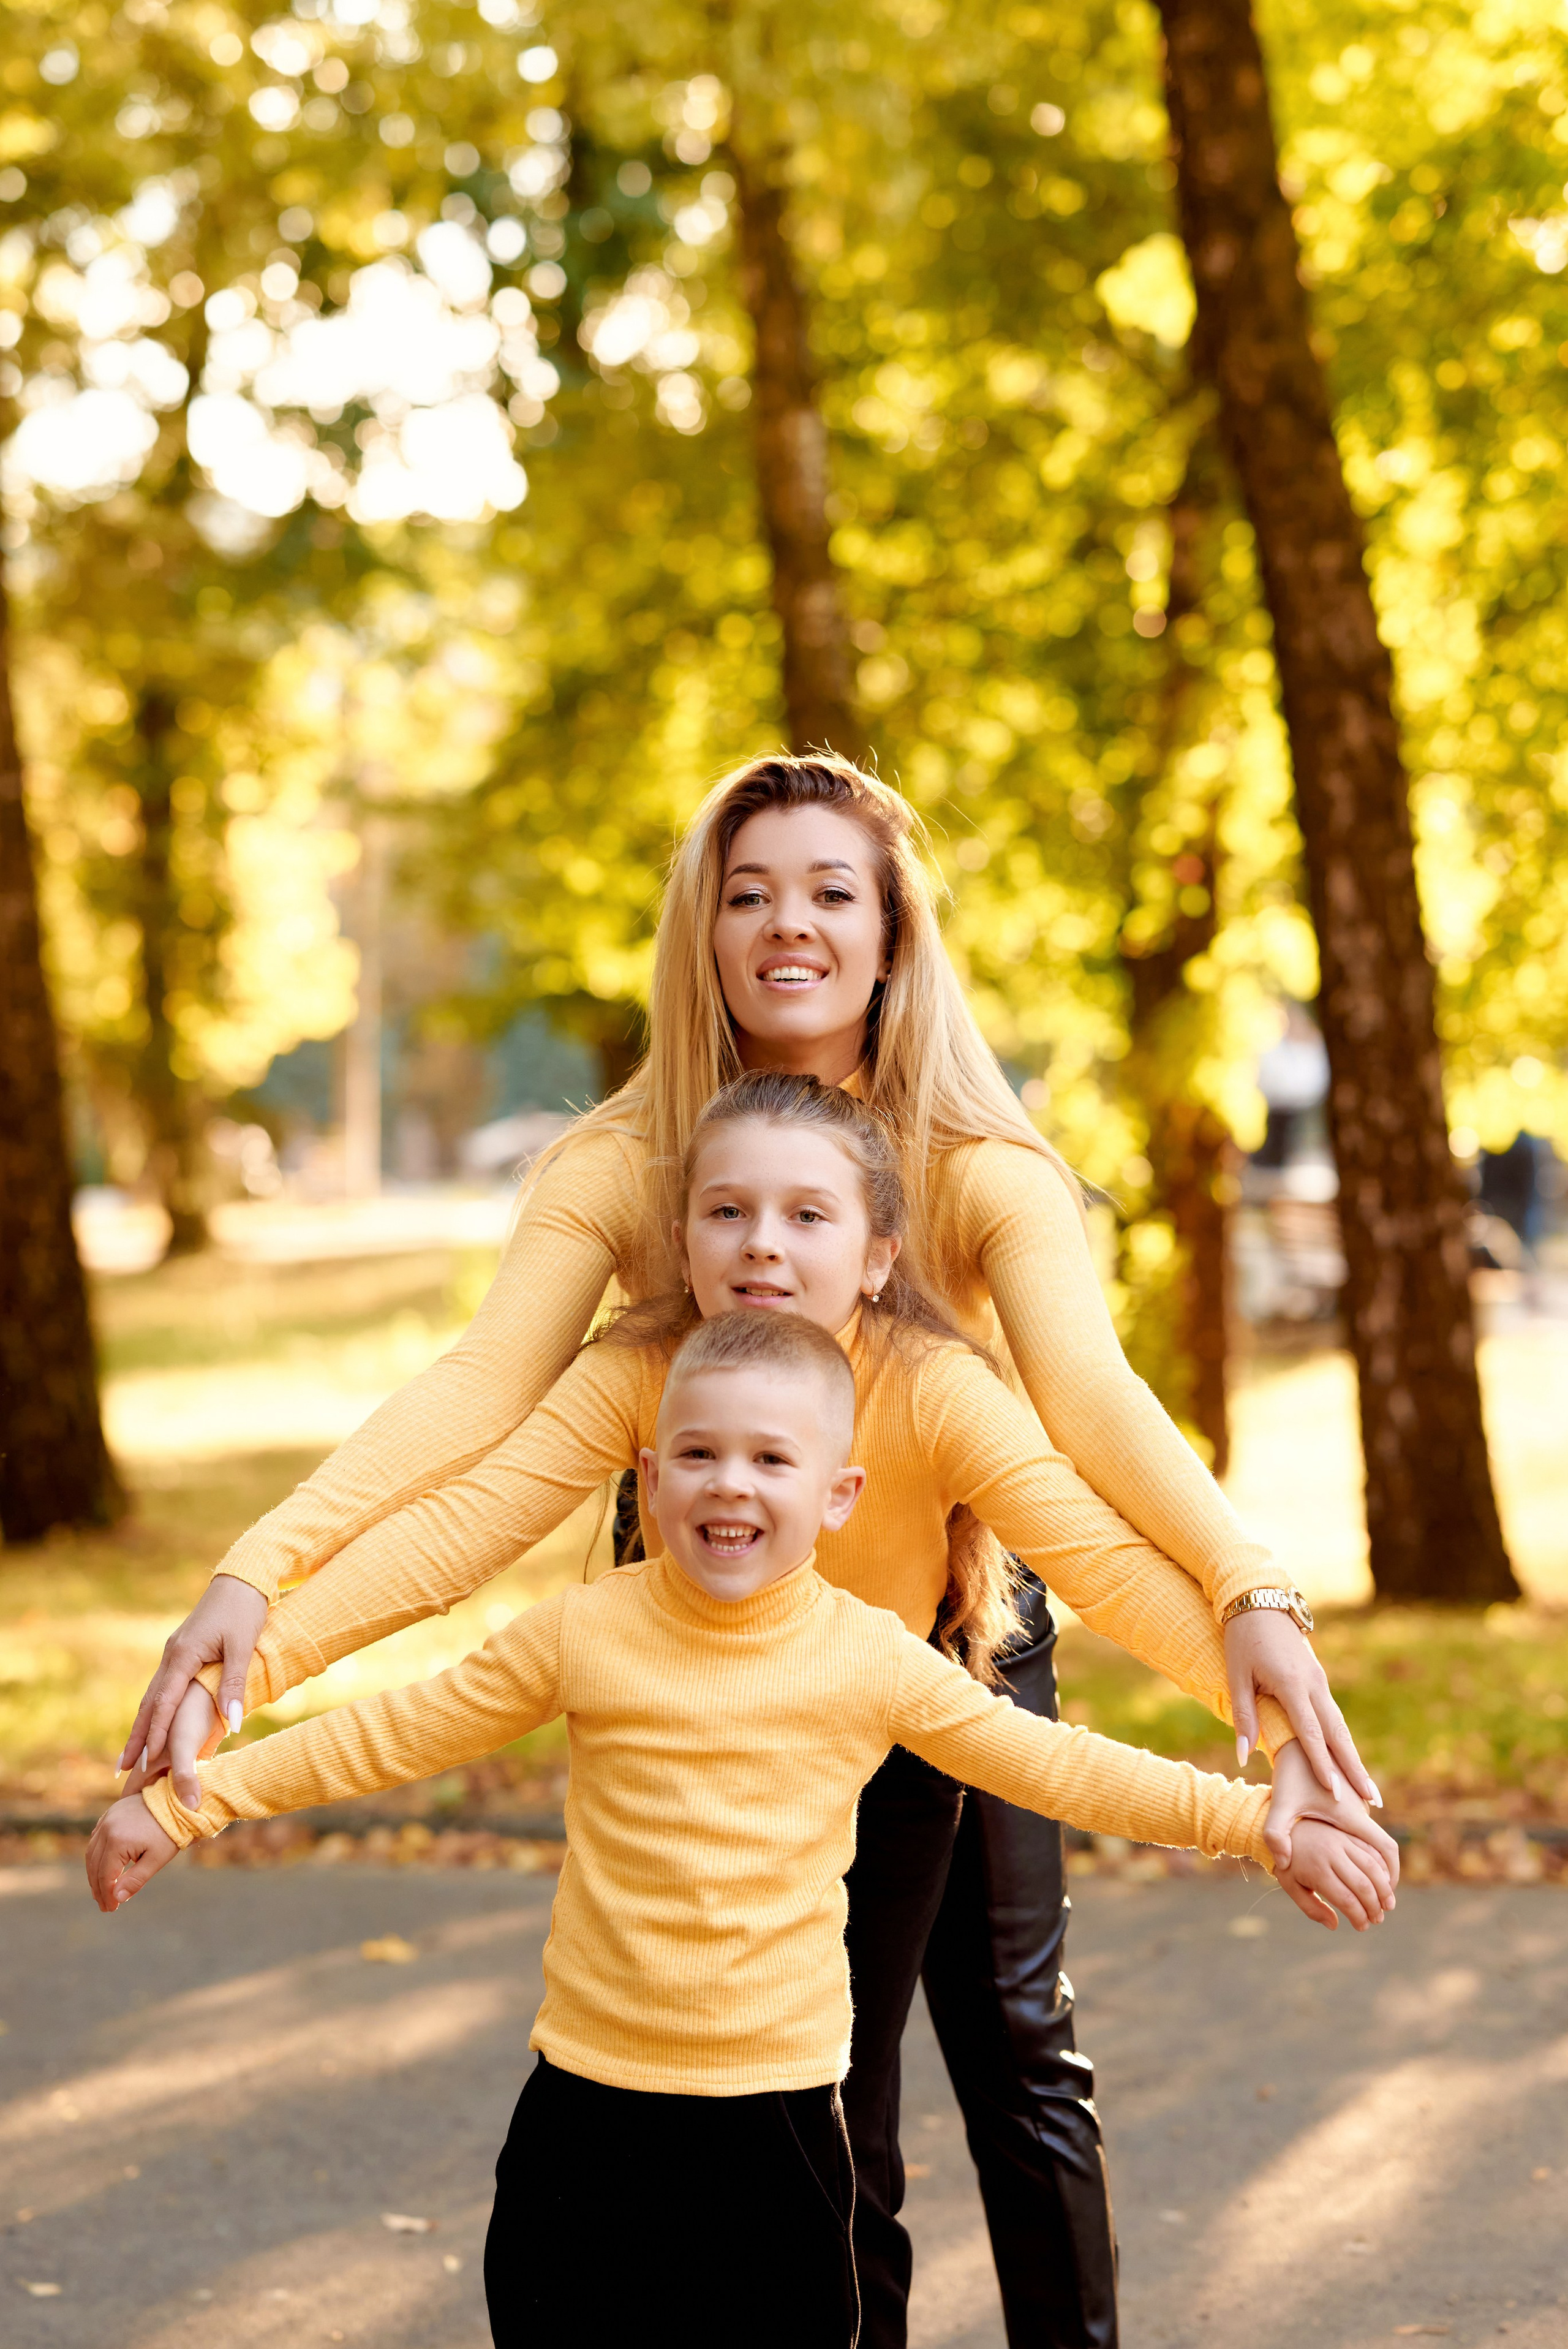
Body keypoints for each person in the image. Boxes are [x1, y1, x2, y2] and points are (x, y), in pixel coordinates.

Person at [119, 756, 1381, 2349]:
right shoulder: (634, 1171)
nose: (788, 923)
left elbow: (1087, 1427)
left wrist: (1244, 1614)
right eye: (749, 890)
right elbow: (479, 1431)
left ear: (893, 933)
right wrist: (261, 1594)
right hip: (719, 1641)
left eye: (831, 891)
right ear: (704, 928)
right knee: (826, 2104)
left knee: (1010, 2037)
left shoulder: (977, 1181)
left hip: (942, 1632)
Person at [87, 1309, 1395, 2349]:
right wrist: (184, 1801)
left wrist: (1258, 1821)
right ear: (647, 1477)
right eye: (700, 1454)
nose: (732, 1484)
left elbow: (1051, 1765)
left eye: (773, 1460)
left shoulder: (869, 1660)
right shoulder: (585, 1630)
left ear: (837, 1496)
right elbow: (392, 1733)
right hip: (583, 2111)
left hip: (770, 2127)